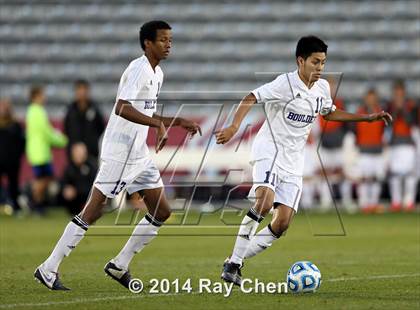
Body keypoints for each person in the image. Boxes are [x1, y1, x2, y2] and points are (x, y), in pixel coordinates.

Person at [34, 20, 201, 291]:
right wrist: (157, 125)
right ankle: (48, 268)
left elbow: (144, 113)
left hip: (138, 152)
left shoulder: (157, 74)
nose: (168, 44)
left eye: (170, 40)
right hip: (119, 150)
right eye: (163, 40)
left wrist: (176, 121)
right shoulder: (138, 69)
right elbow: (122, 108)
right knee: (95, 209)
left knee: (162, 211)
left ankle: (119, 264)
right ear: (148, 43)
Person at [215, 35, 392, 286]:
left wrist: (366, 118)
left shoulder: (321, 88)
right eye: (315, 62)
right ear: (301, 61)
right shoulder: (283, 84)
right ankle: (233, 264)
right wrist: (234, 126)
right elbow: (250, 97)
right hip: (270, 150)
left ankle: (235, 259)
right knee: (264, 201)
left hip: (293, 159)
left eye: (323, 63)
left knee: (282, 223)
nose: (320, 68)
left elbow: (329, 113)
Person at [25, 86, 68, 215]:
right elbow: (46, 133)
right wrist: (62, 140)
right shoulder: (37, 112)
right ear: (35, 97)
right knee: (44, 178)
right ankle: (32, 201)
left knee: (43, 178)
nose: (44, 97)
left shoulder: (33, 111)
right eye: (41, 95)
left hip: (38, 151)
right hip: (40, 152)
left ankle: (37, 204)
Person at [387, 80, 418, 212]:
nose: (398, 95)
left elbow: (412, 121)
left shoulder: (411, 105)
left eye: (400, 92)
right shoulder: (389, 106)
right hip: (394, 144)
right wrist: (395, 111)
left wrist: (403, 110)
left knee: (410, 174)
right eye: (396, 92)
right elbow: (388, 123)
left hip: (408, 143)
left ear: (404, 92)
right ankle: (396, 201)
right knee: (395, 174)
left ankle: (409, 201)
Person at [354, 89, 386, 213]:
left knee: (376, 178)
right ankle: (364, 204)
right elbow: (354, 130)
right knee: (364, 178)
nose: (371, 100)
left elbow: (385, 131)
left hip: (377, 151)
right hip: (363, 151)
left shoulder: (381, 113)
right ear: (365, 99)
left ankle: (374, 203)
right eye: (369, 97)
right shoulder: (359, 113)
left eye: (373, 98)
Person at [64, 80, 105, 160]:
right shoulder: (70, 110)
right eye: (79, 89)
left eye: (84, 89)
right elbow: (66, 130)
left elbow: (101, 128)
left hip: (92, 154)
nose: (82, 92)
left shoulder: (95, 109)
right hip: (74, 156)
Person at [0, 98, 25, 215]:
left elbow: (21, 142)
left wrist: (17, 157)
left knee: (13, 185)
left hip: (12, 162)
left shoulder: (15, 125)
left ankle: (15, 207)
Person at [61, 143, 97, 215]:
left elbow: (95, 185)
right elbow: (63, 183)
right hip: (75, 200)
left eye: (82, 153)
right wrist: (66, 189)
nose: (80, 155)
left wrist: (77, 190)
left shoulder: (92, 166)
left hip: (88, 197)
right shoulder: (69, 168)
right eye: (77, 153)